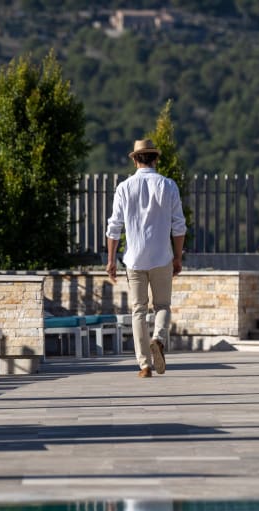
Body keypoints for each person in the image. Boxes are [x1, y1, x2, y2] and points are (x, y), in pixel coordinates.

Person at [105, 138, 186, 378]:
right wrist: (177, 258)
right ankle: (158, 338)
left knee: (138, 310)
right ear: (155, 158)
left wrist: (111, 260)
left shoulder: (124, 187)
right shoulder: (168, 185)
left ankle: (144, 365)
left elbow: (114, 227)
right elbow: (179, 226)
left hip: (134, 259)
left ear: (135, 160)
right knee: (162, 305)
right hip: (162, 256)